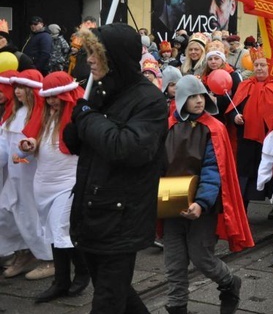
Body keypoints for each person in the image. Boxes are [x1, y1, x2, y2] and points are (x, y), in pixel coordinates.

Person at [62, 23, 169, 313]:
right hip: (93, 209)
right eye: (88, 53)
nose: (90, 60)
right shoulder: (100, 90)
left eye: (96, 54)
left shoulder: (150, 100)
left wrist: (88, 119)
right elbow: (78, 144)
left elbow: (127, 147)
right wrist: (76, 123)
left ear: (116, 57)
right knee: (116, 292)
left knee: (107, 300)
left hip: (122, 217)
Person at [161, 75, 252, 314]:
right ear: (181, 99)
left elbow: (214, 169)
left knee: (202, 257)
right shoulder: (166, 125)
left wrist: (201, 203)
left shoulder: (213, 128)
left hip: (204, 205)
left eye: (200, 95)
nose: (199, 101)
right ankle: (177, 307)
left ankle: (230, 283)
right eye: (192, 97)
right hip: (171, 202)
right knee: (174, 261)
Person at [20, 72, 90, 302]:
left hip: (68, 182)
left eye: (56, 97)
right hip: (43, 182)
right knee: (52, 232)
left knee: (61, 229)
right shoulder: (44, 115)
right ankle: (61, 281)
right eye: (48, 98)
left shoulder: (77, 117)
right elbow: (30, 145)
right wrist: (28, 144)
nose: (51, 102)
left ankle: (81, 272)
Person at [0, 69, 53, 280]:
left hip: (31, 177)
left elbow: (35, 150)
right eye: (17, 88)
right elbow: (5, 146)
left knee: (33, 217)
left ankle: (49, 258)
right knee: (6, 213)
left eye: (22, 88)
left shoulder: (41, 115)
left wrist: (19, 157)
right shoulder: (14, 114)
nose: (18, 92)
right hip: (15, 177)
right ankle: (23, 252)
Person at [229, 55, 273, 207]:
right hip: (247, 139)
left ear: (270, 67)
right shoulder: (245, 85)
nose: (258, 68)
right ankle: (243, 209)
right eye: (256, 65)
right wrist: (235, 117)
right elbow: (234, 107)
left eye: (262, 65)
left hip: (271, 138)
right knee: (245, 174)